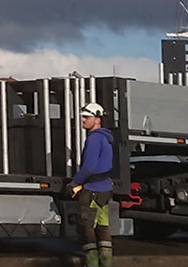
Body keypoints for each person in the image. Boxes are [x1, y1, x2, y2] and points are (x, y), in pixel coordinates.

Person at [69, 102, 114, 267]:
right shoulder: (106, 138)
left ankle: (92, 264)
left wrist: (74, 183)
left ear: (97, 119)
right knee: (103, 227)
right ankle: (106, 263)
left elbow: (89, 166)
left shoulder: (94, 139)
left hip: (92, 191)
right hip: (105, 190)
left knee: (86, 228)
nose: (83, 120)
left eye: (86, 117)